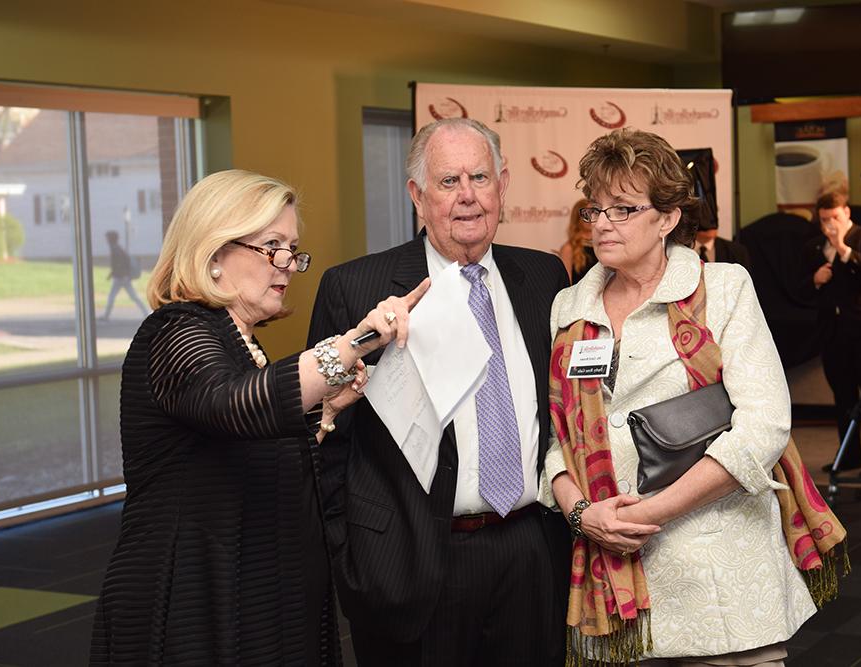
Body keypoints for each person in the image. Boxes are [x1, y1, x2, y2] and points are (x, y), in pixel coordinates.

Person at [90, 170, 428, 665]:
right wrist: (356, 342)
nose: (289, 265)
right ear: (213, 255)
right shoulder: (175, 331)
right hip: (190, 596)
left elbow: (242, 448)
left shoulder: (240, 341)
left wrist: (326, 411)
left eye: (292, 249)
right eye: (273, 246)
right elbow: (233, 403)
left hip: (258, 593)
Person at [545, 129, 845, 665]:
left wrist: (648, 515)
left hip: (718, 573)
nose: (604, 223)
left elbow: (764, 425)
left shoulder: (724, 288)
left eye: (624, 208)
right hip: (612, 585)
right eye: (596, 208)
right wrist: (584, 515)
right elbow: (556, 439)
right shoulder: (569, 306)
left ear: (668, 218)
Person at [307, 118, 572, 666]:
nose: (468, 196)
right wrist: (351, 562)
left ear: (503, 185)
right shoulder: (355, 288)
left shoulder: (546, 277)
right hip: (413, 559)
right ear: (417, 196)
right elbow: (326, 440)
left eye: (480, 176)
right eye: (449, 181)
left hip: (529, 551)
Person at [801, 191, 861, 477]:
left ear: (846, 212)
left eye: (835, 217)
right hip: (834, 334)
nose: (830, 224)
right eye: (824, 220)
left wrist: (843, 248)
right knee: (843, 398)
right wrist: (815, 281)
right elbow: (802, 290)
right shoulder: (814, 247)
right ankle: (850, 455)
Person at [101, 230, 149, 320]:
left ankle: (106, 316)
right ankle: (146, 313)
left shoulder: (116, 249)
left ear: (111, 239)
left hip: (121, 278)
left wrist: (119, 274)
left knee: (112, 297)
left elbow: (121, 264)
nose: (106, 240)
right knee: (134, 297)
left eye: (107, 238)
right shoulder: (116, 248)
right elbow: (118, 264)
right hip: (122, 277)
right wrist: (112, 273)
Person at [558, 198, 596, 281]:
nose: (590, 219)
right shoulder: (569, 248)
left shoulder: (603, 244)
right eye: (586, 215)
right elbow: (566, 282)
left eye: (594, 214)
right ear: (577, 218)